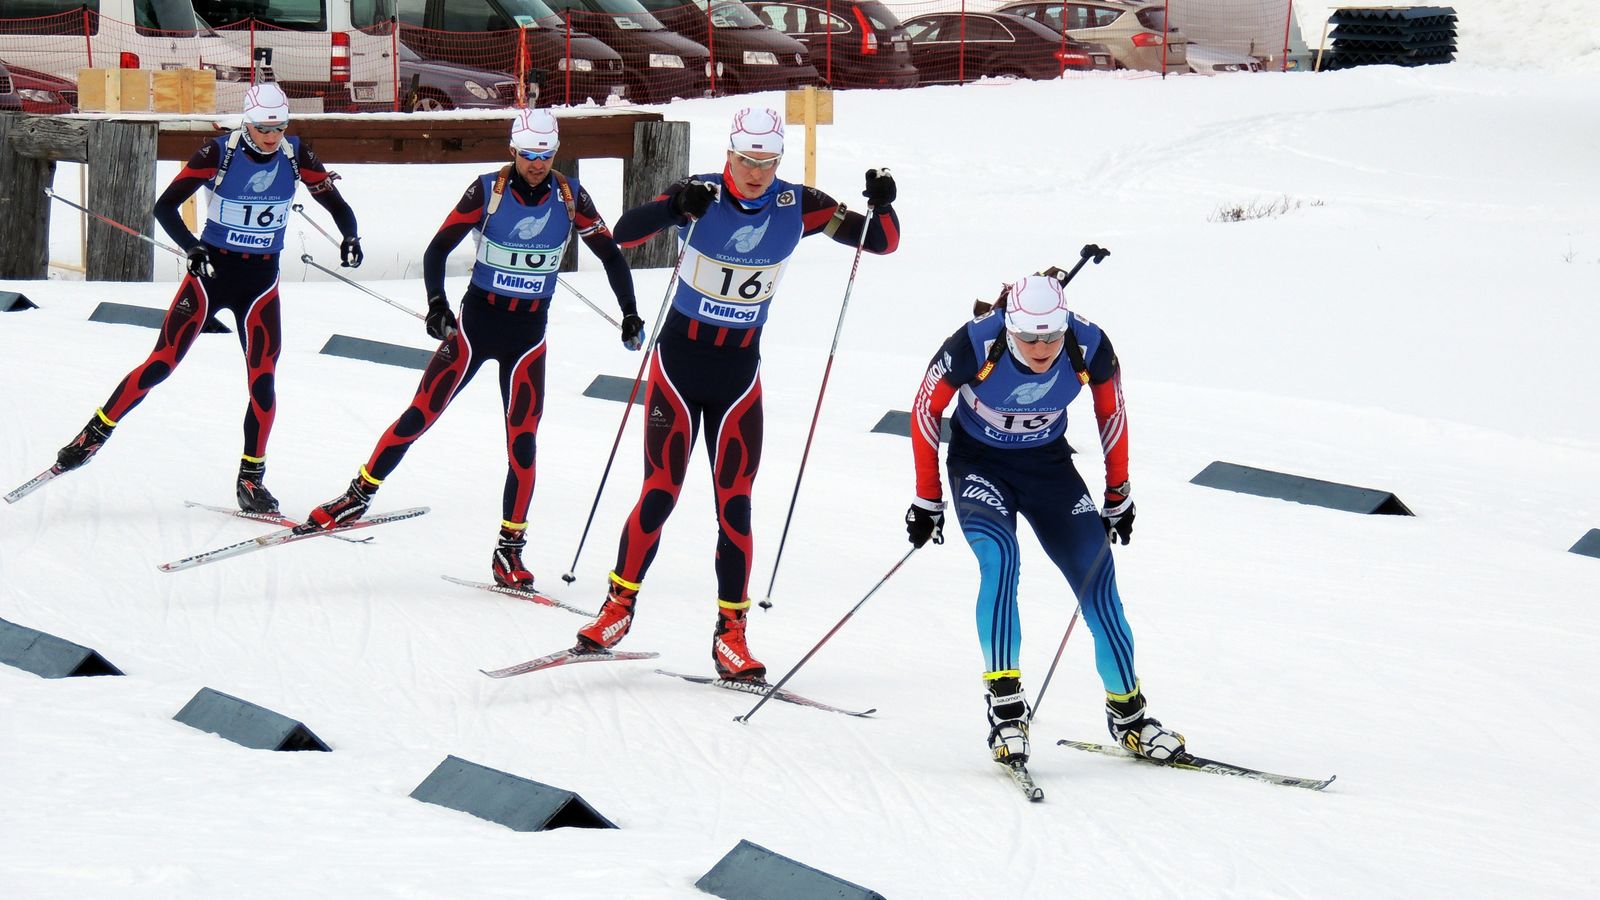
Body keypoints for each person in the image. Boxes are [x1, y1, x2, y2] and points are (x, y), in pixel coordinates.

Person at [571, 106, 901, 682]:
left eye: (767, 162)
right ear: (729, 155)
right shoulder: (699, 191)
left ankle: (732, 633)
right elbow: (623, 234)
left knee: (736, 505)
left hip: (739, 373)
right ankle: (617, 609)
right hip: (679, 364)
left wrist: (884, 204)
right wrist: (674, 208)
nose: (756, 172)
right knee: (660, 491)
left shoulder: (797, 204)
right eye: (747, 160)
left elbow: (882, 243)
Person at [303, 109, 640, 588]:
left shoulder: (569, 196)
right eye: (529, 155)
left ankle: (510, 550)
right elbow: (437, 248)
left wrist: (629, 312)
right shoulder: (487, 190)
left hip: (528, 339)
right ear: (513, 150)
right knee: (419, 414)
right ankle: (357, 494)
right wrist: (437, 305)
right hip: (475, 328)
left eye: (545, 155)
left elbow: (609, 253)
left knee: (523, 445)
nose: (537, 164)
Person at [903, 271, 1185, 767]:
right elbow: (926, 409)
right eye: (1029, 337)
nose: (1041, 347)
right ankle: (1007, 710)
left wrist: (1117, 493)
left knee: (1098, 577)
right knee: (1001, 559)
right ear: (1009, 327)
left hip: (1049, 468)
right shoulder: (976, 342)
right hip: (980, 466)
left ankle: (1130, 716)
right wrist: (928, 497)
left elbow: (1112, 414)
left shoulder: (1090, 344)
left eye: (1051, 336)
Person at [53, 82, 362, 513]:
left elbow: (338, 205)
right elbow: (165, 208)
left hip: (260, 284)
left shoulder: (296, 154)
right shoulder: (219, 153)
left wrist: (351, 236)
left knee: (263, 382)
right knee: (162, 363)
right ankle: (93, 434)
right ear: (246, 123)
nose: (271, 137)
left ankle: (251, 480)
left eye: (279, 127)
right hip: (211, 274)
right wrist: (192, 247)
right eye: (262, 128)